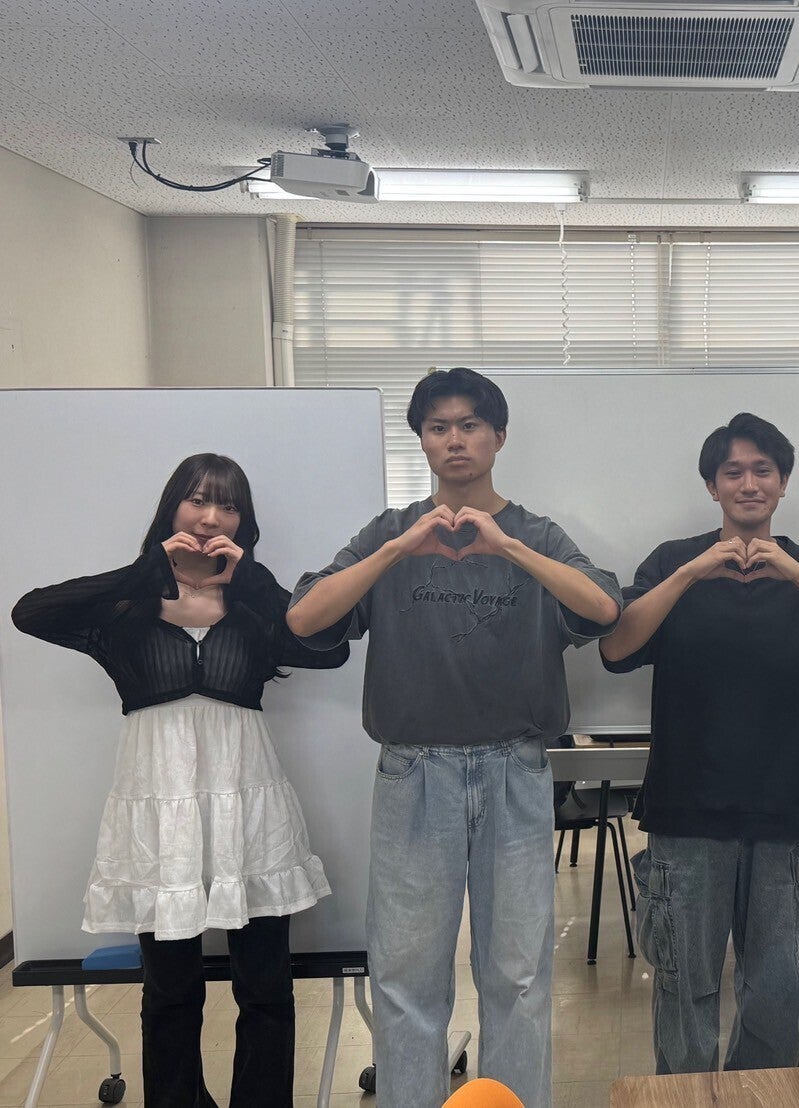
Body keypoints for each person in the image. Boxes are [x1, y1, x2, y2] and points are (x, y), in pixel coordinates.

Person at [286, 368, 621, 1108]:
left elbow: (603, 607)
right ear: (422, 442)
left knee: (519, 975)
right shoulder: (390, 533)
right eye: (438, 427)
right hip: (414, 773)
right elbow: (304, 617)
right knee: (405, 976)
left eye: (470, 425)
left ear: (498, 437)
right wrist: (398, 551)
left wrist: (509, 549)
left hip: (515, 771)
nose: (455, 439)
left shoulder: (535, 534)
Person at [12, 453, 346, 1108]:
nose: (211, 517)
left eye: (228, 506)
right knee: (169, 991)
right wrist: (149, 569)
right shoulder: (126, 607)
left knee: (266, 988)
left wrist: (252, 581)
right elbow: (31, 612)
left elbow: (330, 647)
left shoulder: (254, 606)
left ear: (243, 523)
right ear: (172, 509)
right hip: (159, 817)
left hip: (249, 810)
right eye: (198, 500)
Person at [600, 412, 799, 1074]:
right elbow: (615, 648)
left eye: (762, 471)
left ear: (782, 483)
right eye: (733, 472)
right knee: (685, 986)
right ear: (711, 486)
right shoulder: (673, 561)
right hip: (686, 811)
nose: (748, 484)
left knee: (776, 990)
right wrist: (692, 573)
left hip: (780, 810)